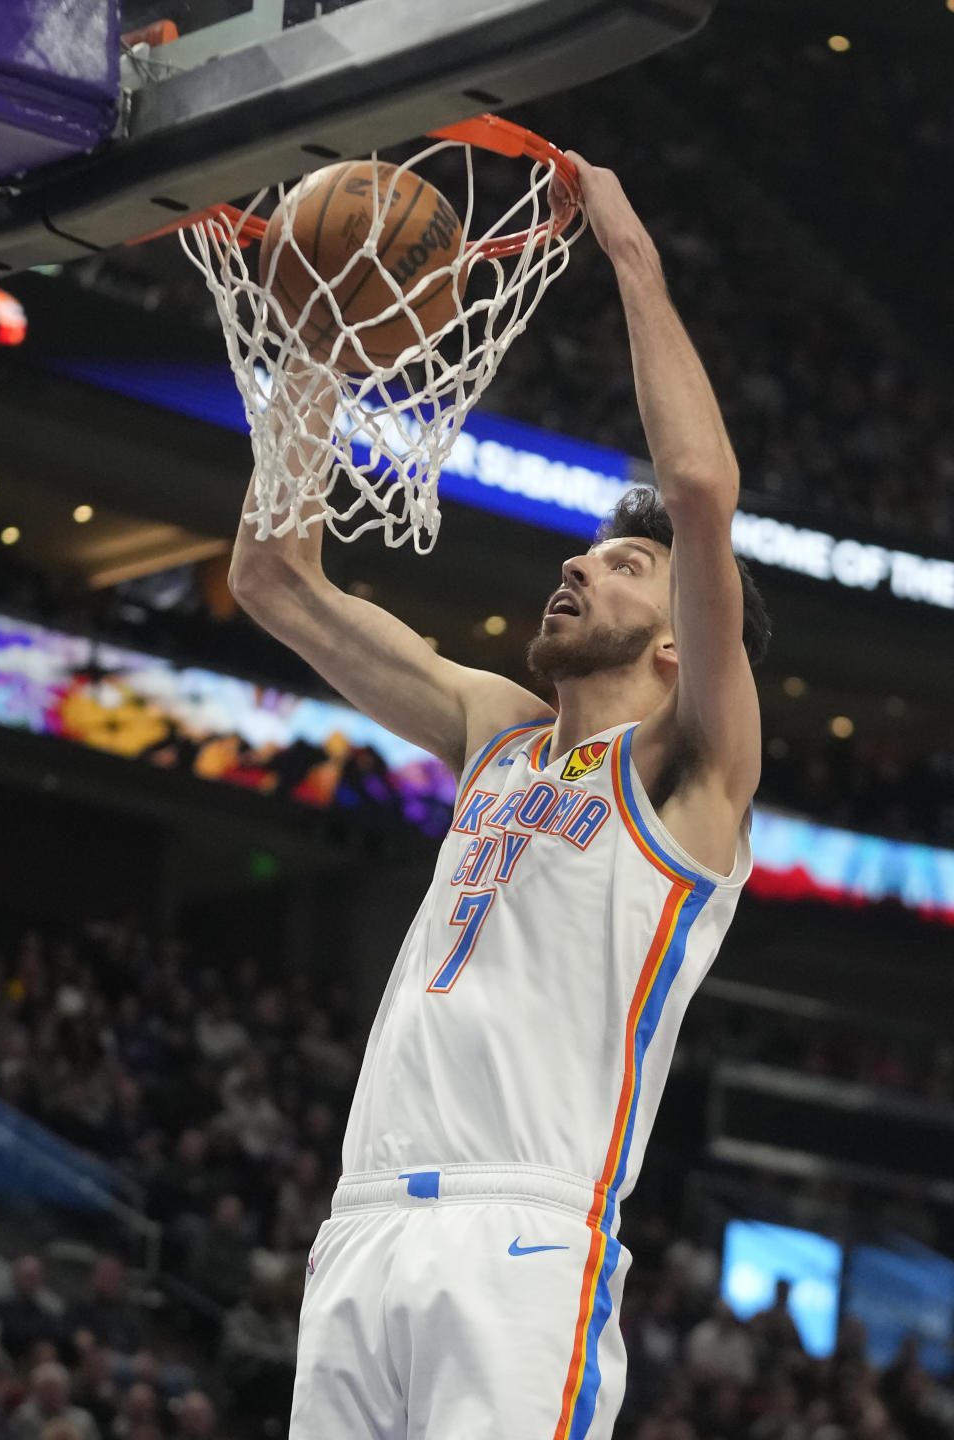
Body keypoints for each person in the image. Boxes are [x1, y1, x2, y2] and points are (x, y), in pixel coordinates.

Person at [229, 153, 769, 1439]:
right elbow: (272, 577)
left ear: (682, 638)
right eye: (583, 551)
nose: (578, 566)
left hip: (525, 1238)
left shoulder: (692, 775)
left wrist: (630, 253)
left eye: (622, 565)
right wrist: (319, 334)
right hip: (361, 1228)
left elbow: (699, 493)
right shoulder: (500, 736)